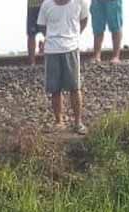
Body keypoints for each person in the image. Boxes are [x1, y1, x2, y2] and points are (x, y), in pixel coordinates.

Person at [38, 0, 89, 134]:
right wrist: (52, 38)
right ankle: (58, 122)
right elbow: (43, 26)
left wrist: (73, 36)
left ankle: (78, 122)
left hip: (71, 49)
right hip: (52, 50)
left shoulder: (79, 2)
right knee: (55, 89)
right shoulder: (46, 4)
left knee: (75, 87)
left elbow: (84, 19)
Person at [27, 0, 46, 65]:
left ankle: (49, 58)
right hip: (32, 5)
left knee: (50, 32)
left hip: (47, 4)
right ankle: (32, 63)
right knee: (31, 34)